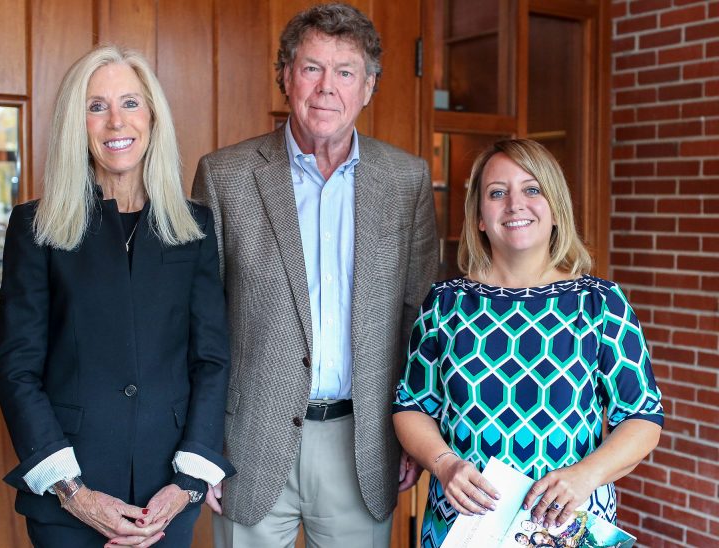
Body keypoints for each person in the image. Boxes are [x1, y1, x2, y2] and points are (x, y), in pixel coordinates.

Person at [190, 3, 437, 547]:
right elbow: (198, 322)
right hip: (246, 445)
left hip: (363, 444)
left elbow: (418, 320)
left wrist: (414, 436)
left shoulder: (406, 180)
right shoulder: (225, 175)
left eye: (345, 71)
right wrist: (199, 445)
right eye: (311, 68)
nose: (327, 87)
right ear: (285, 76)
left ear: (368, 86)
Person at [0, 44, 234, 547]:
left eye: (130, 102)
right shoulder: (34, 228)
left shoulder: (193, 227)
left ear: (152, 116)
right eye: (96, 106)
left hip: (166, 498)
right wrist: (74, 491)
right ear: (75, 124)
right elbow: (17, 370)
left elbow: (210, 360)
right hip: (69, 495)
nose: (115, 122)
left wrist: (188, 483)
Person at [393, 139, 663, 548]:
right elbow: (411, 406)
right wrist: (443, 464)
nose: (515, 204)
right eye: (497, 192)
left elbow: (642, 418)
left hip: (567, 525)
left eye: (532, 189)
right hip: (462, 525)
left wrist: (585, 476)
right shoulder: (445, 303)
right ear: (480, 217)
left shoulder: (600, 304)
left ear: (555, 208)